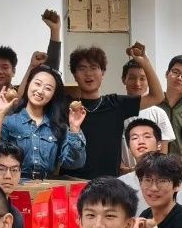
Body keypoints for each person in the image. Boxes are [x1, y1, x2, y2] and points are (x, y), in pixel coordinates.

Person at [68, 44, 163, 179]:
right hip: (73, 183)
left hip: (108, 183)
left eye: (94, 68)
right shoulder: (68, 107)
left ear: (103, 73)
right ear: (74, 75)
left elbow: (157, 96)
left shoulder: (116, 104)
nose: (88, 73)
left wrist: (144, 61)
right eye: (82, 68)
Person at [0, 64, 86, 180]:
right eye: (37, 84)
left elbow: (74, 164)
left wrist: (74, 128)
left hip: (48, 187)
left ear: (53, 95)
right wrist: (0, 113)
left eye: (48, 88)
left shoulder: (58, 126)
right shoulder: (10, 122)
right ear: (28, 84)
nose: (40, 91)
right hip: (15, 186)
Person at [118, 120, 182, 214]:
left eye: (147, 136)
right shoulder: (121, 183)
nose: (141, 141)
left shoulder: (176, 177)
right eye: (135, 138)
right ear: (129, 149)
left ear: (159, 145)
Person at [120, 59, 176, 170]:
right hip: (122, 175)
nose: (137, 83)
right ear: (123, 79)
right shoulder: (115, 110)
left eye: (142, 78)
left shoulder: (159, 113)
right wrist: (127, 171)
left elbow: (163, 152)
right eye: (132, 78)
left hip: (153, 173)